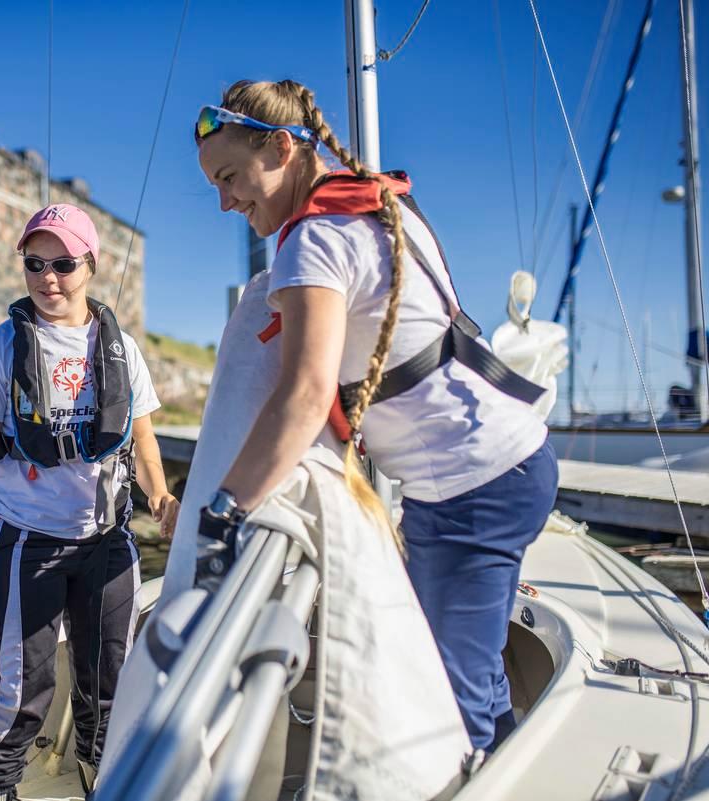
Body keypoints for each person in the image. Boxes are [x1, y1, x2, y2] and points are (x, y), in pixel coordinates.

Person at [192, 80, 558, 754]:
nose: (224, 200)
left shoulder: (314, 242)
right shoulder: (378, 208)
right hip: (504, 468)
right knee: (476, 679)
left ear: (280, 147)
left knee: (451, 707)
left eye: (231, 176)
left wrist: (224, 511)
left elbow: (302, 396)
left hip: (472, 490)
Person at [0, 202, 180, 800]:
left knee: (112, 683)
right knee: (21, 690)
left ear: (90, 265)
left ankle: (101, 782)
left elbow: (144, 437)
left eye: (63, 264)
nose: (48, 279)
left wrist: (161, 498)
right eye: (35, 264)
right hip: (25, 537)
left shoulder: (122, 350)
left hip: (108, 541)